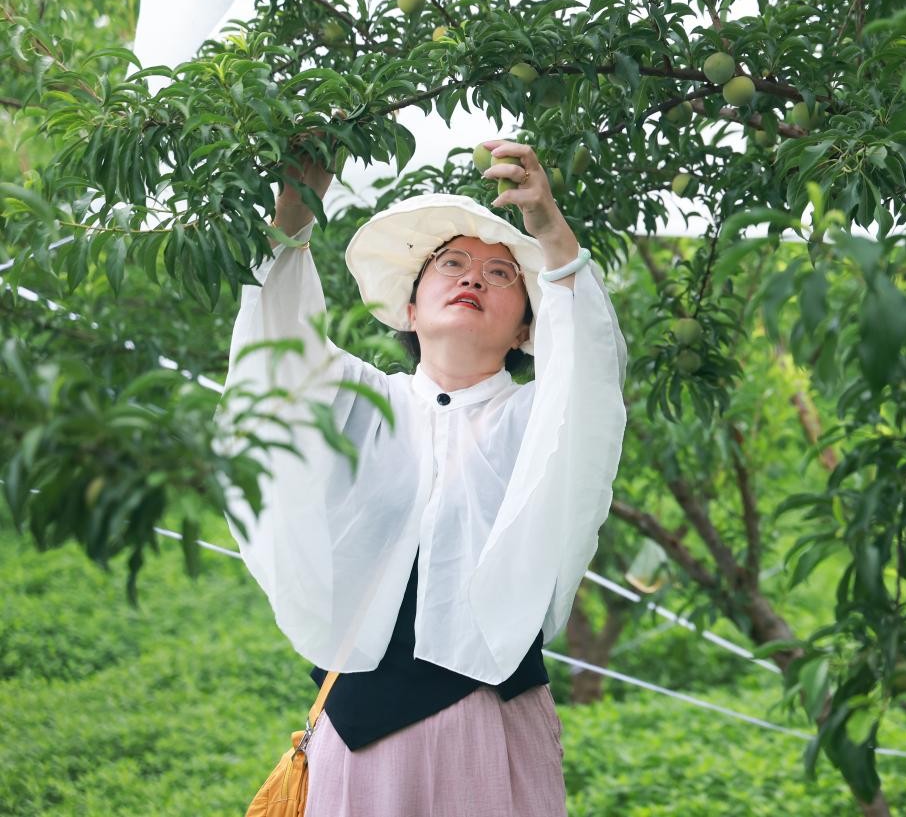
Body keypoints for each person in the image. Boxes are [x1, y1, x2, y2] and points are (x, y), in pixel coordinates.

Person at [217, 139, 628, 816]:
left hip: (489, 726)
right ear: (410, 309)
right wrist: (292, 216)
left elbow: (588, 370)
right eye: (452, 264)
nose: (473, 279)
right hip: (358, 731)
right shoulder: (357, 403)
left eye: (501, 274)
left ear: (526, 330)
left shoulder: (535, 422)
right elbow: (275, 348)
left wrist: (550, 230)